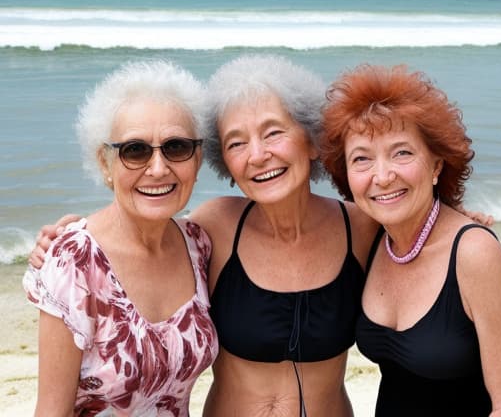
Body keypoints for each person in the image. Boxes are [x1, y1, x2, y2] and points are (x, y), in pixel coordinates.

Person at [31, 54, 379, 416]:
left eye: (274, 132)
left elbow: (423, 231)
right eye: (236, 143)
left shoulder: (361, 226)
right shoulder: (216, 225)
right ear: (222, 160)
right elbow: (140, 224)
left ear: (311, 140)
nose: (258, 155)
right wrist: (70, 238)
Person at [23, 60, 218, 416]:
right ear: (104, 162)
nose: (158, 168)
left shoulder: (199, 246)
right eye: (135, 150)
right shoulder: (74, 262)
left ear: (199, 157)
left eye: (176, 147)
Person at [320, 63, 501, 416]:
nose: (383, 175)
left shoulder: (474, 252)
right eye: (361, 158)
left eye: (402, 153)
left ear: (437, 165)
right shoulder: (371, 237)